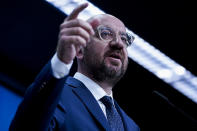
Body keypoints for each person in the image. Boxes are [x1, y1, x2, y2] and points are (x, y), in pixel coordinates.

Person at [9, 3, 139, 131]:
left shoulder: (131, 126)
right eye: (105, 34)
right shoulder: (56, 95)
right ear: (80, 50)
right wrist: (61, 61)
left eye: (124, 38)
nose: (118, 43)